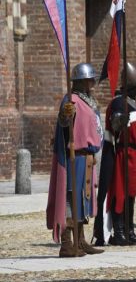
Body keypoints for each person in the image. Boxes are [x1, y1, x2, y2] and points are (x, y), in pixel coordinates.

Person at [46, 63, 104, 257]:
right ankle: (67, 243)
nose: (92, 83)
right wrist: (65, 115)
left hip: (87, 158)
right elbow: (63, 123)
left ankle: (80, 240)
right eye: (88, 80)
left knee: (83, 199)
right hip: (73, 157)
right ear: (81, 82)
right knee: (70, 198)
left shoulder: (89, 101)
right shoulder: (70, 100)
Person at [94, 62, 136, 246]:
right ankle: (118, 232)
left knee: (132, 193)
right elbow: (115, 125)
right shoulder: (119, 102)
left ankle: (129, 230)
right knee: (121, 193)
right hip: (123, 154)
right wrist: (120, 118)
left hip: (135, 155)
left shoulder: (131, 103)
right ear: (131, 86)